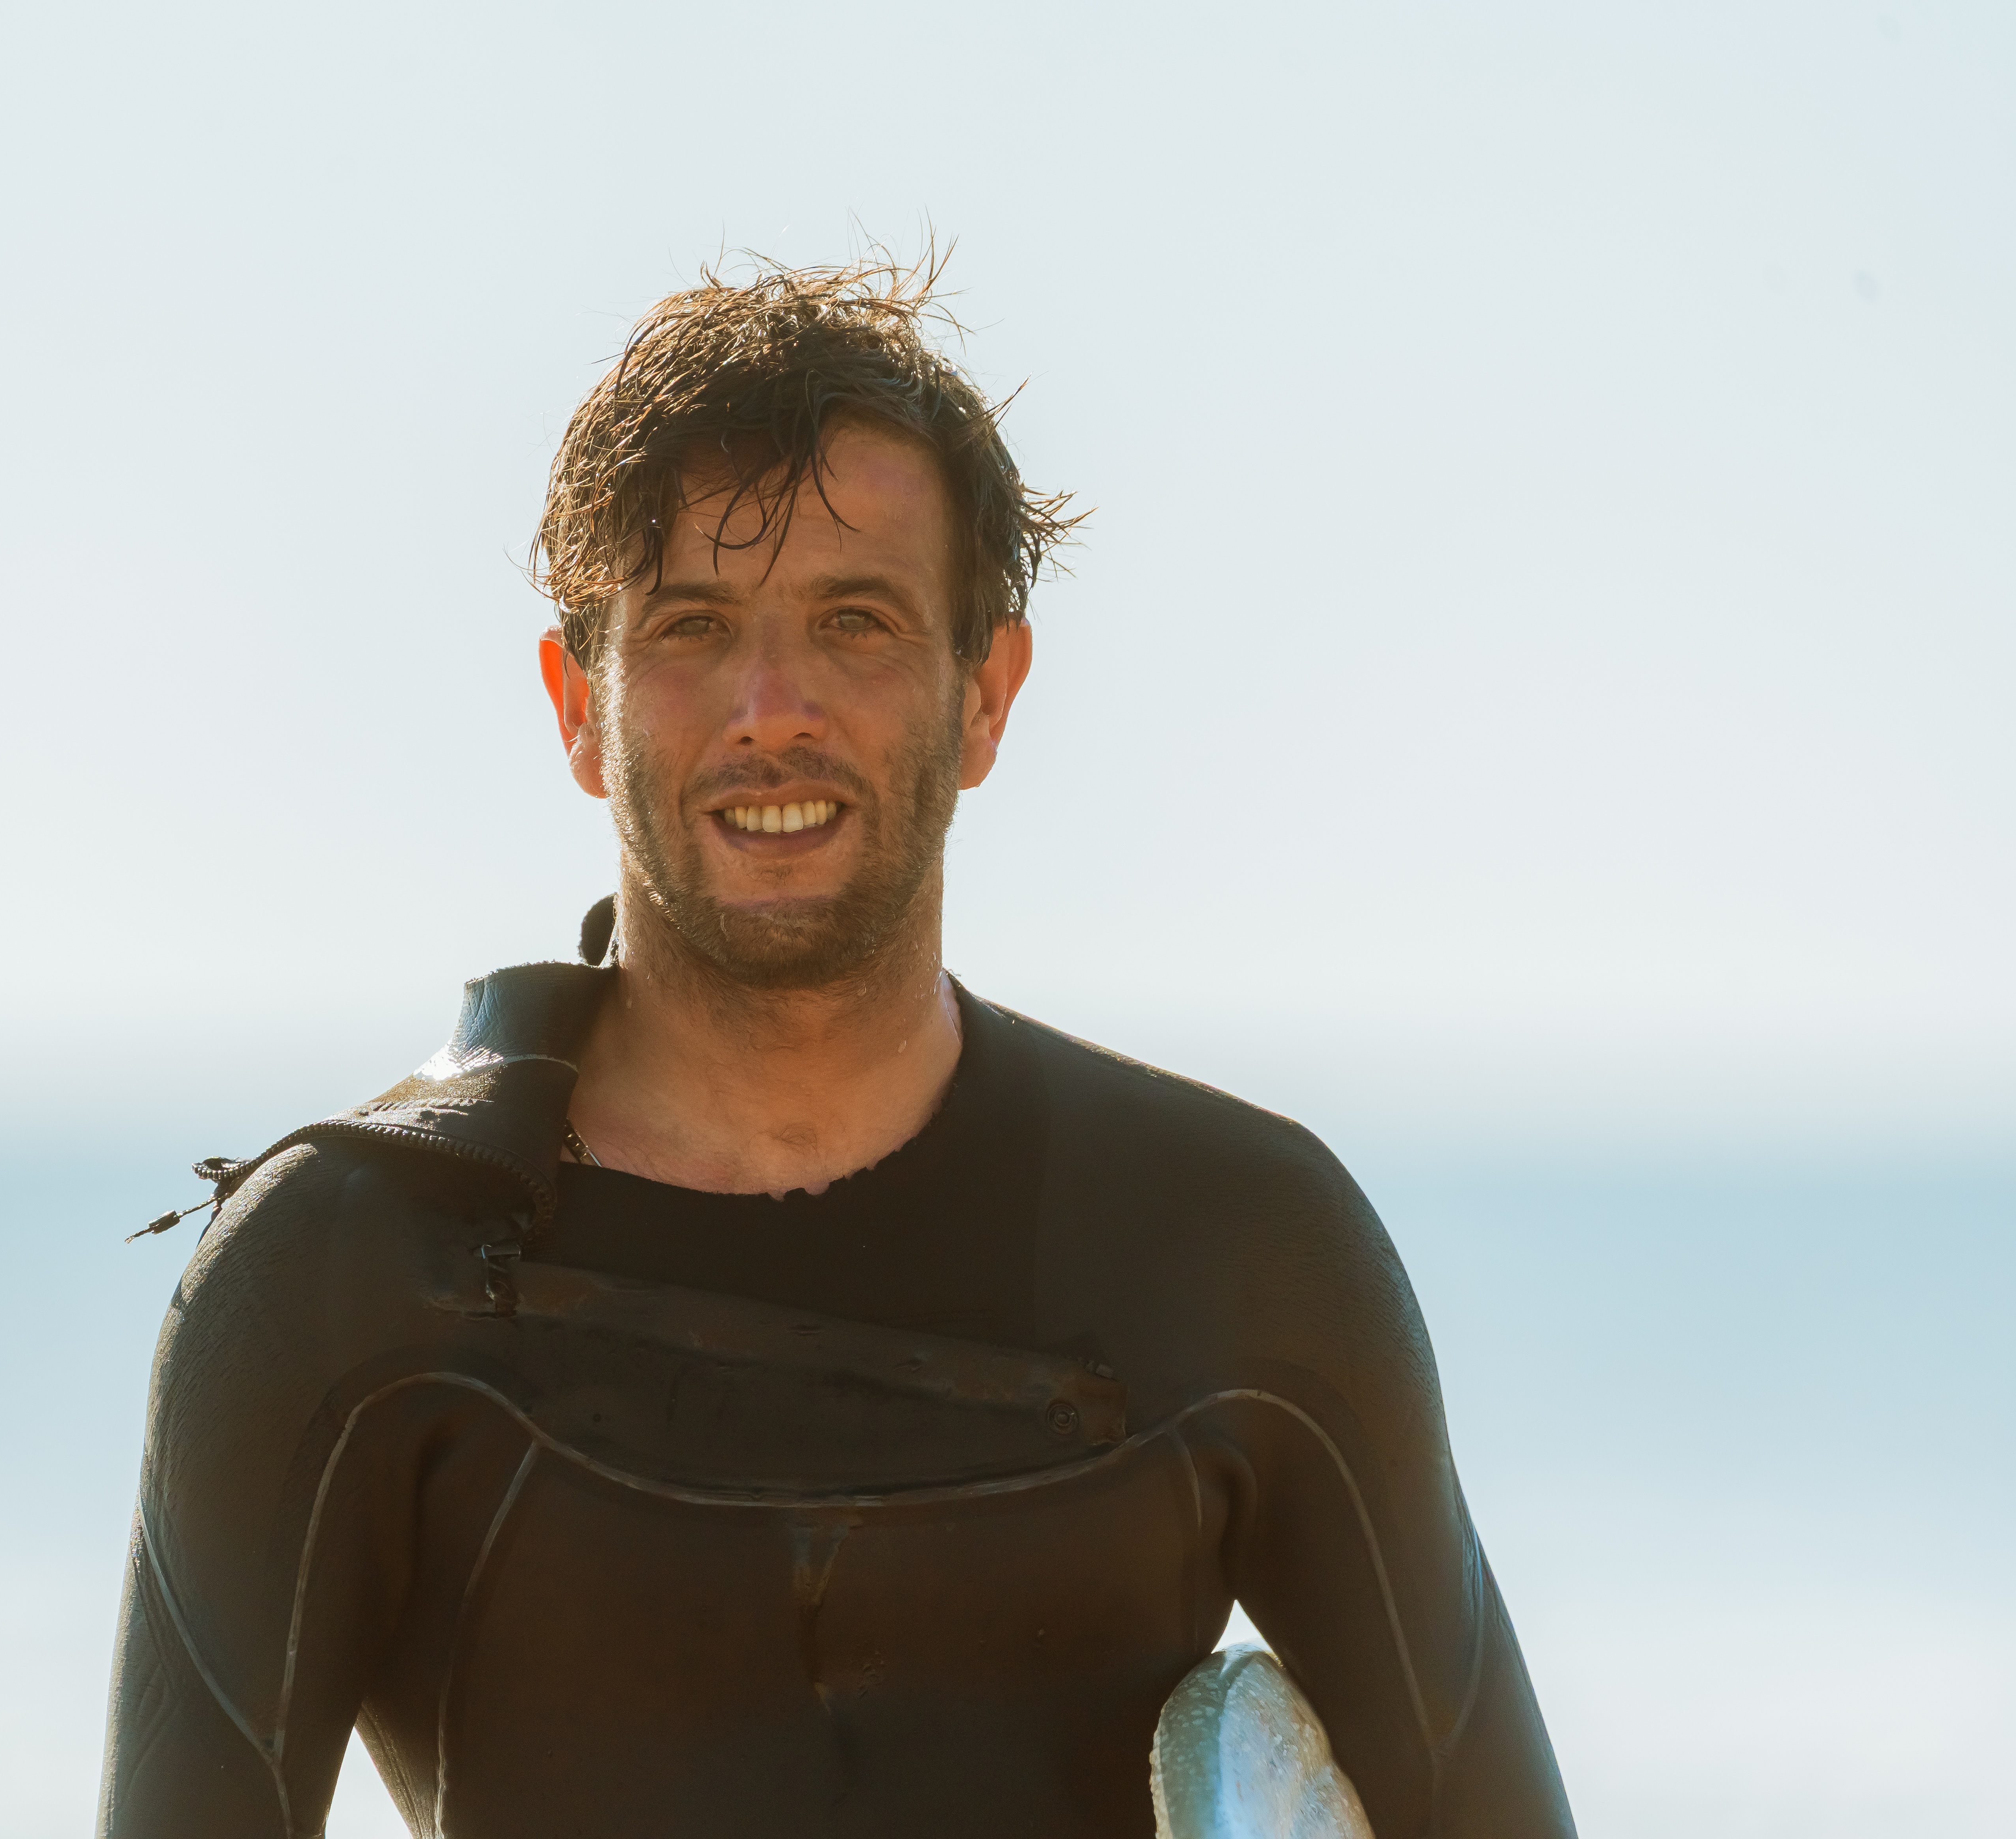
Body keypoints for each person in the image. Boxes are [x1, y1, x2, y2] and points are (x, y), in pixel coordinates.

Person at [98, 257, 1576, 1839]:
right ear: (578, 706)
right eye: (691, 626)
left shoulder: (1242, 1246)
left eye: (856, 623)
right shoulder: (344, 1280)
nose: (771, 706)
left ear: (987, 691)